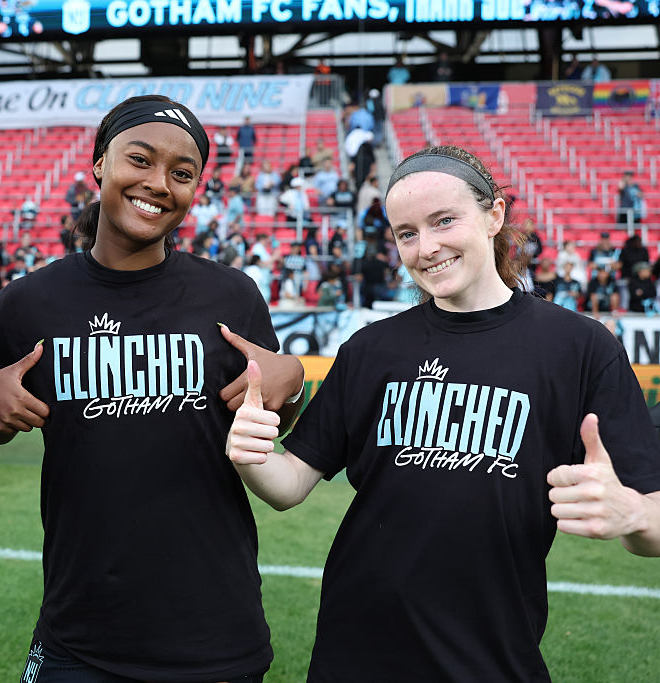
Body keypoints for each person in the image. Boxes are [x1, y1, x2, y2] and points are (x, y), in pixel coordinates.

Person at [226, 145, 660, 682]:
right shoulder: (372, 348)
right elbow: (291, 484)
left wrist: (634, 514)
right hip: (355, 653)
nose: (426, 247)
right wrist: (251, 455)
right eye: (406, 233)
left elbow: (653, 517)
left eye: (444, 220)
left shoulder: (579, 347)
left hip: (493, 656)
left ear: (494, 214)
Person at [0, 94, 305, 681]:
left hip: (215, 632)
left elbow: (267, 422)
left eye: (182, 173)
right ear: (99, 162)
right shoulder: (29, 303)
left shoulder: (231, 296)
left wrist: (292, 382)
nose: (158, 184)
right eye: (140, 160)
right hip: (80, 636)